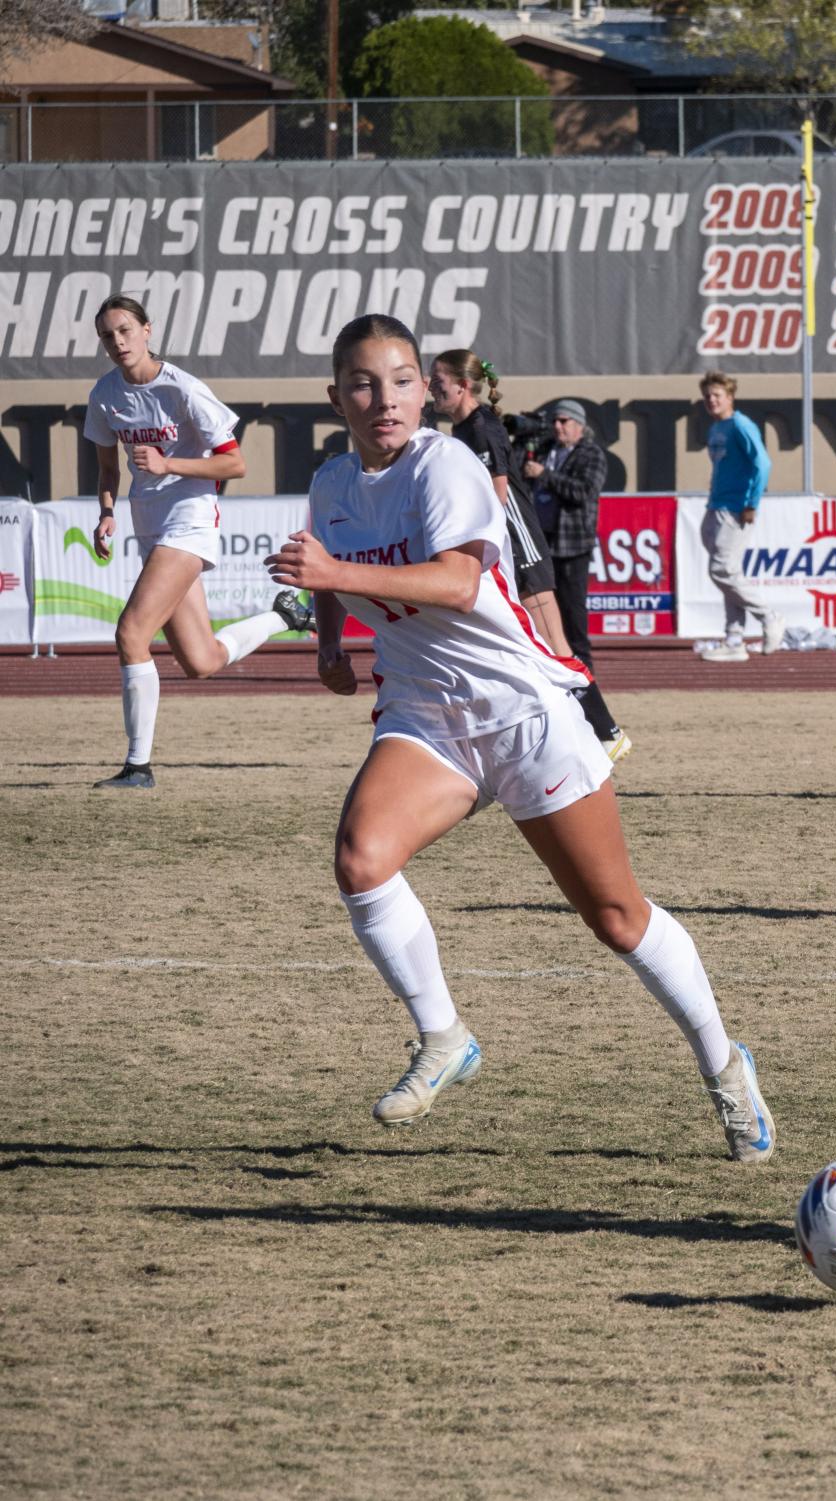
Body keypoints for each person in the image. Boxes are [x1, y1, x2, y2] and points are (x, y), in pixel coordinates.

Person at [265, 313, 774, 1157]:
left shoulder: (447, 463)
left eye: (399, 380)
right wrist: (327, 641)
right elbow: (319, 559)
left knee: (615, 917)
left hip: (523, 711)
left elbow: (458, 583)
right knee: (360, 859)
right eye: (362, 382)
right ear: (335, 397)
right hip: (427, 716)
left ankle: (725, 1066)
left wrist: (332, 576)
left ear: (427, 391)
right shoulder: (331, 485)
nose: (383, 398)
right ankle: (444, 1038)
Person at [84, 294, 313, 791]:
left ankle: (137, 768)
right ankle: (286, 615)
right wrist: (106, 513)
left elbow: (235, 464)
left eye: (125, 329)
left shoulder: (184, 388)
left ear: (148, 329)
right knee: (201, 661)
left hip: (189, 522)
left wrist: (170, 465)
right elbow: (106, 468)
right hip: (148, 524)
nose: (117, 341)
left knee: (130, 634)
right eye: (107, 334)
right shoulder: (105, 394)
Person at [428, 351, 628, 765]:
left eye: (439, 381)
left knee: (557, 647)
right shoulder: (465, 429)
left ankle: (606, 732)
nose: (432, 389)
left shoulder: (481, 428)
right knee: (528, 649)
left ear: (463, 386)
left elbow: (497, 495)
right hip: (507, 550)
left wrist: (481, 546)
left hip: (522, 550)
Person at [523, 398, 629, 762]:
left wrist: (545, 476)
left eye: (564, 421)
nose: (557, 427)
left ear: (580, 424)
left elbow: (583, 492)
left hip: (573, 547)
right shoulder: (546, 449)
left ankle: (587, 690)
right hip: (544, 547)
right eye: (554, 421)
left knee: (574, 624)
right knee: (549, 629)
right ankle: (562, 691)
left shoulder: (592, 454)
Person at [697, 370, 781, 663]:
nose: (711, 400)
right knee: (728, 574)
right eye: (707, 395)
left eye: (717, 395)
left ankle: (769, 617)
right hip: (716, 506)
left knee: (721, 571)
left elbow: (763, 464)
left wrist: (751, 503)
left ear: (730, 397)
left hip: (736, 508)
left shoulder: (741, 425)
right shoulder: (715, 428)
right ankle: (734, 638)